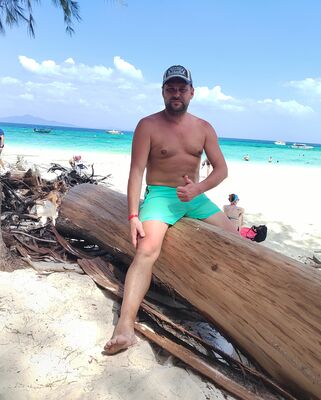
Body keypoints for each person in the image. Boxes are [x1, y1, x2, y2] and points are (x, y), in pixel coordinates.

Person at [103, 65, 238, 355]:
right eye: (171, 88)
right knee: (146, 250)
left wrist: (198, 189)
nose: (176, 93)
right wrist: (133, 215)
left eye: (181, 88)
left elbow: (221, 170)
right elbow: (136, 172)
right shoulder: (147, 125)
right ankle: (125, 327)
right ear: (163, 92)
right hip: (160, 195)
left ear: (192, 92)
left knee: (235, 240)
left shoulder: (204, 128)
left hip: (194, 196)